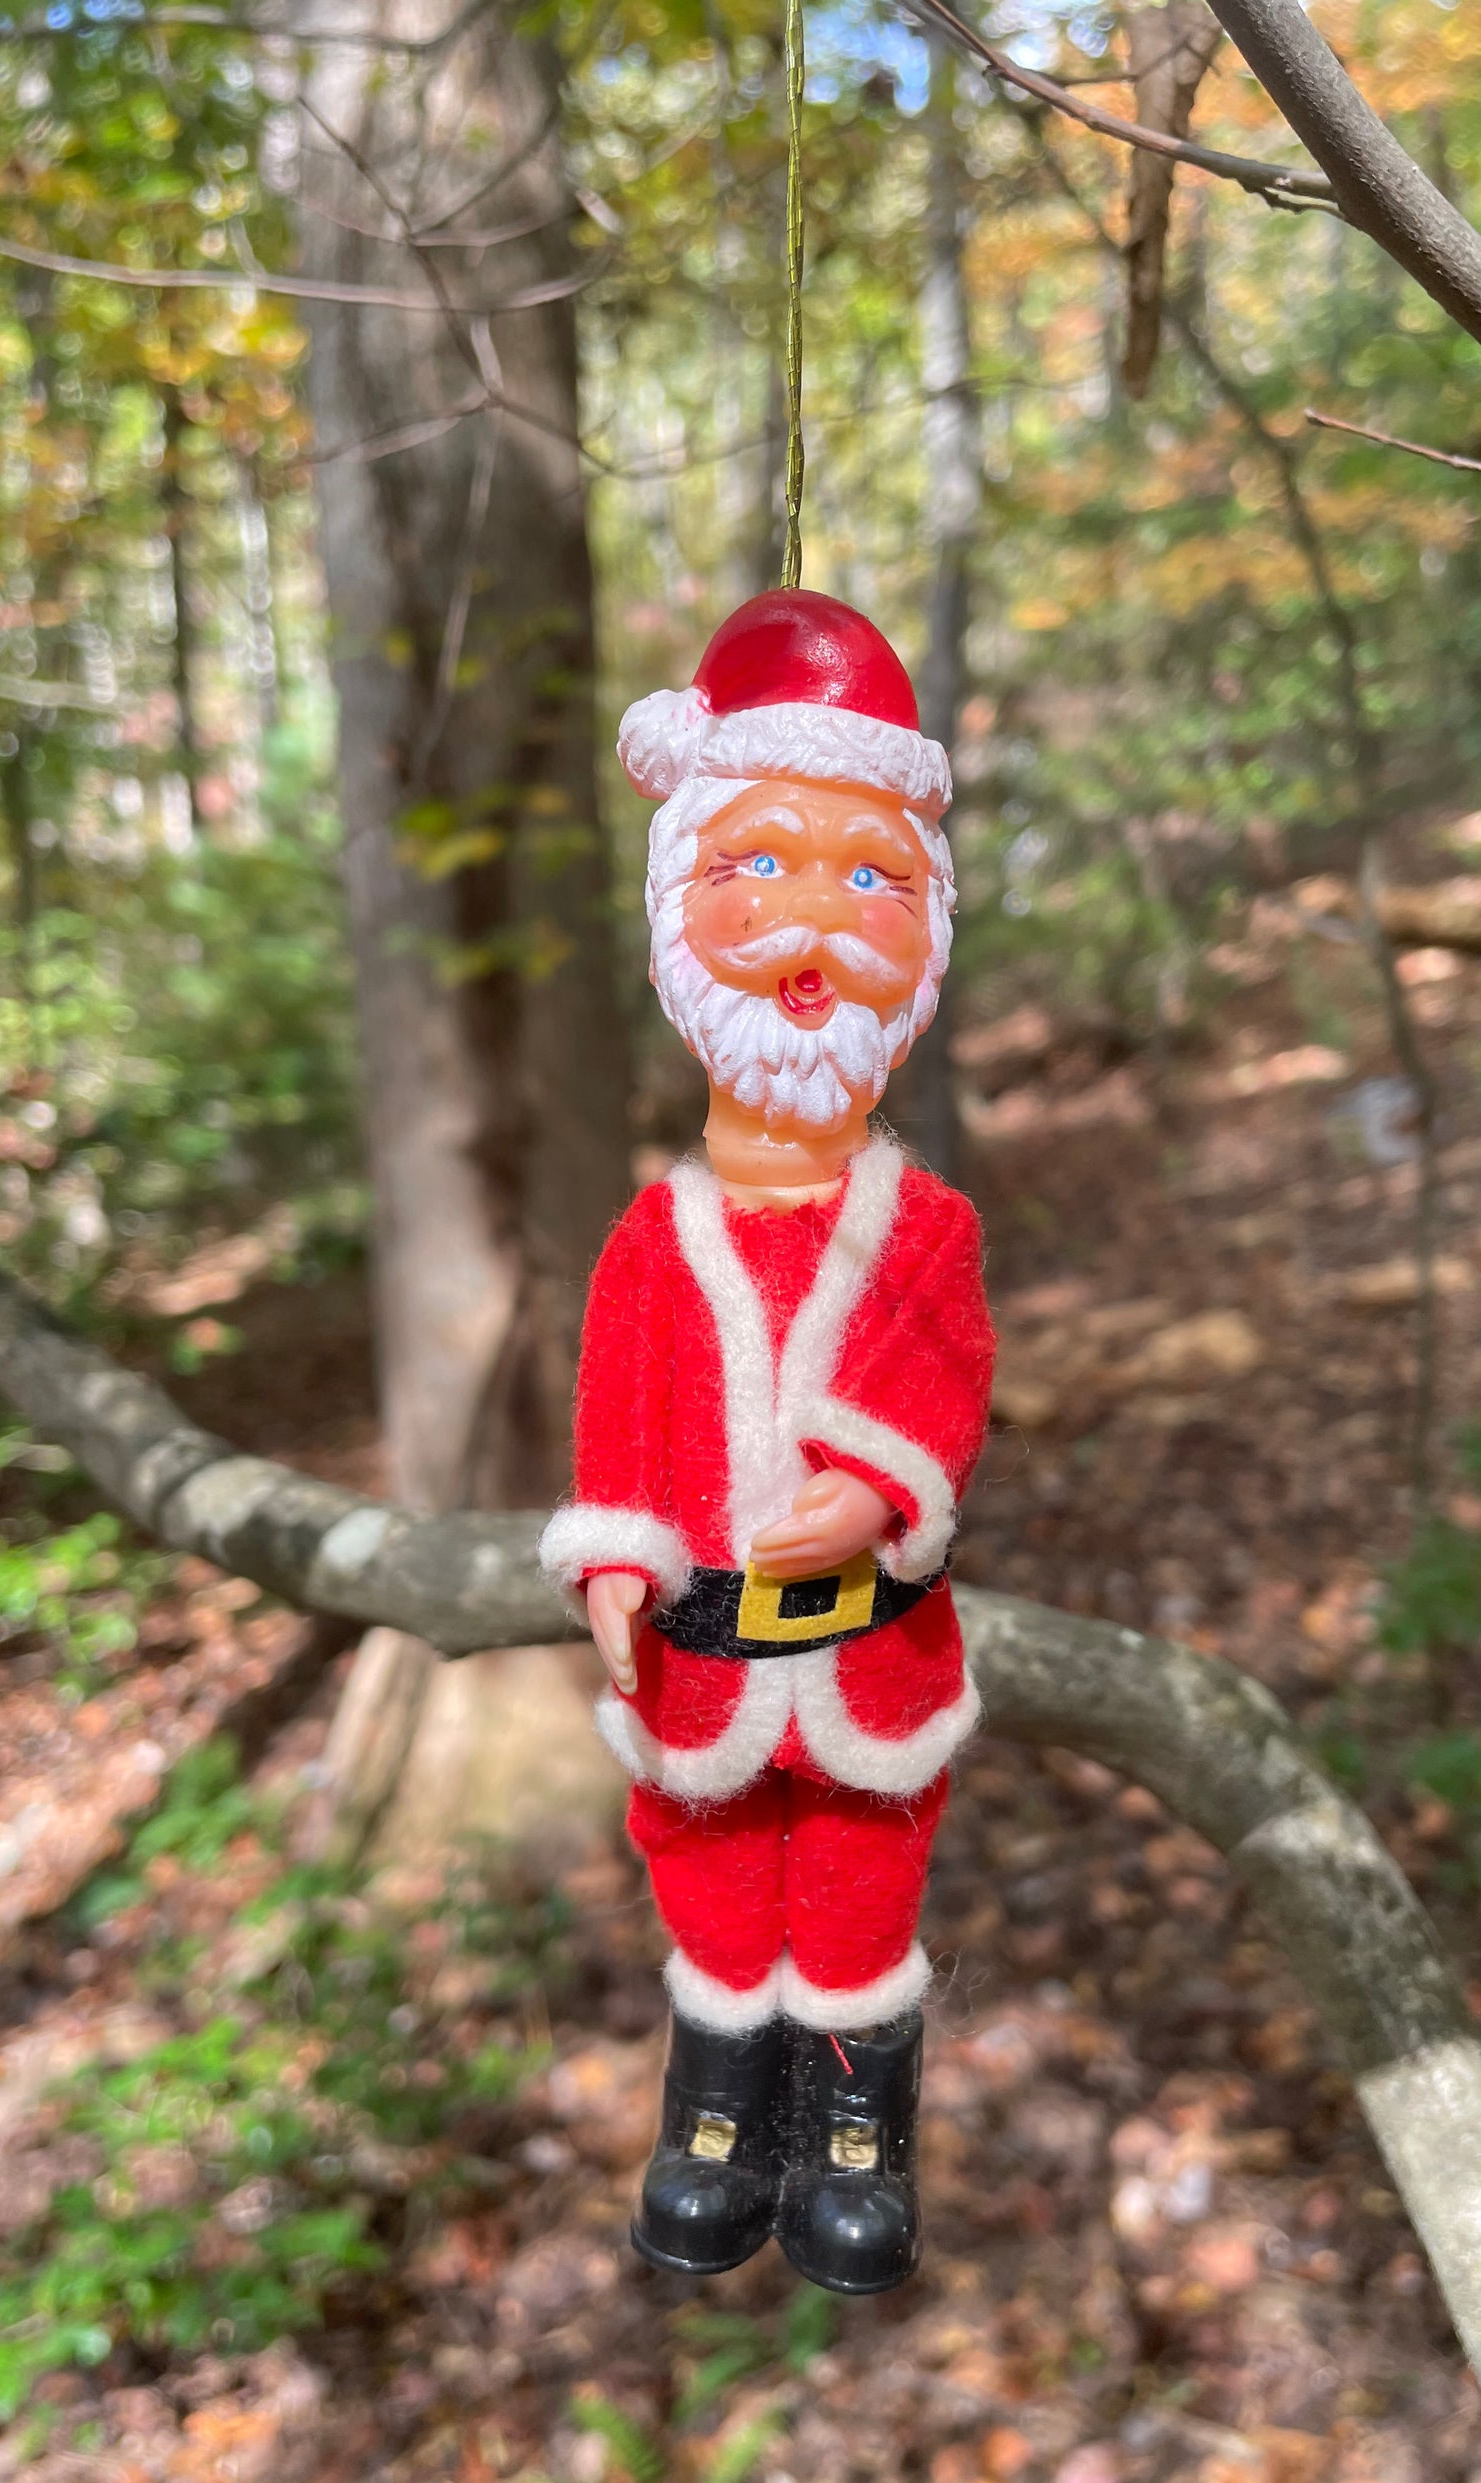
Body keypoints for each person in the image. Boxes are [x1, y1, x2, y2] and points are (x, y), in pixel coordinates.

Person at [540, 587, 994, 2293]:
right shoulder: (652, 1238)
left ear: (923, 940)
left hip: (869, 1655)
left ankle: (860, 2133)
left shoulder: (919, 1222)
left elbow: (943, 1373)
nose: (813, 928)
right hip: (702, 1664)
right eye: (763, 869)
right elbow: (613, 1418)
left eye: (869, 879)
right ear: (682, 918)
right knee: (717, 1884)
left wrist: (881, 1488)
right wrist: (608, 1560)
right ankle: (717, 2113)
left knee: (866, 1882)